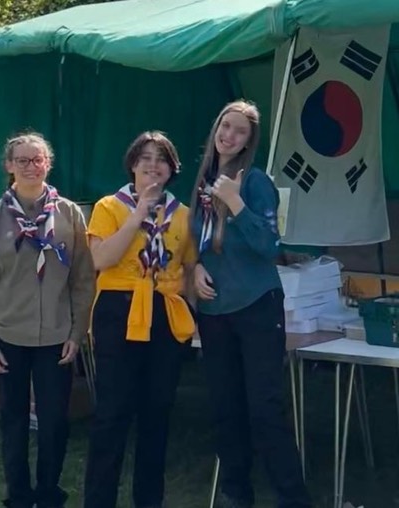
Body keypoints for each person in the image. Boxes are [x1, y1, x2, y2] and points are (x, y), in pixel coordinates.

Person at [190, 101, 311, 508]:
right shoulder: (202, 181)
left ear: (249, 141)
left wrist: (236, 203)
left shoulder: (255, 182)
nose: (229, 136)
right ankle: (236, 492)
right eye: (225, 126)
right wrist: (195, 268)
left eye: (239, 131)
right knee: (225, 407)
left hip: (257, 305)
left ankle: (293, 497)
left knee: (264, 408)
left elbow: (269, 246)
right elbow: (198, 241)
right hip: (214, 312)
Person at [0, 132, 95, 508]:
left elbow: (83, 279)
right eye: (22, 160)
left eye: (37, 159)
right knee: (14, 421)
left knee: (55, 422)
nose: (30, 167)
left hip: (56, 336)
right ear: (9, 166)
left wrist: (77, 331)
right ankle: (19, 496)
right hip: (9, 337)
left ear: (48, 164)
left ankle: (49, 492)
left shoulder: (68, 214)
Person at [84, 131, 196, 508]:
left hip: (164, 312)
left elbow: (190, 265)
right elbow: (101, 259)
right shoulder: (108, 207)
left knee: (157, 413)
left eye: (161, 158)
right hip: (119, 310)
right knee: (112, 414)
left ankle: (149, 500)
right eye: (145, 157)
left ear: (172, 169)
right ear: (132, 164)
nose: (153, 165)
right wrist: (138, 215)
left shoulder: (183, 214)